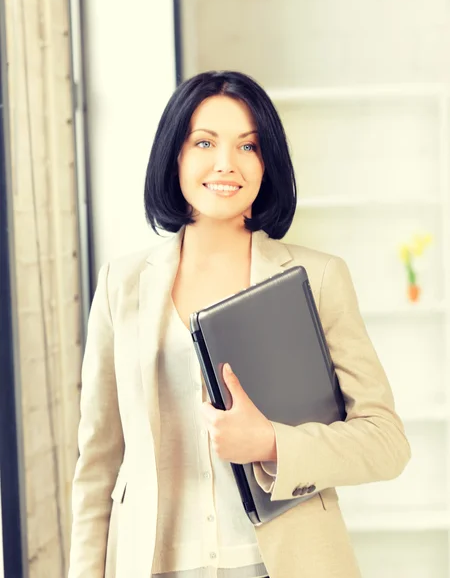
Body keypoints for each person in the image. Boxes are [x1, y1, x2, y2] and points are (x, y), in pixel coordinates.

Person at [68, 70, 411, 578]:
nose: (226, 163)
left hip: (280, 565)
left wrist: (272, 443)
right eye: (204, 142)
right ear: (175, 155)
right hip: (150, 564)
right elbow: (97, 464)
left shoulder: (317, 278)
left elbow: (387, 444)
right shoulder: (121, 284)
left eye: (248, 147)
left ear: (266, 163)